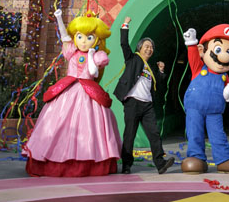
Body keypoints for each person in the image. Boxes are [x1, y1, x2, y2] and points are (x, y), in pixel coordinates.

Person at [24, 9, 122, 176]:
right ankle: (53, 156)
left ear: (97, 39)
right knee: (58, 122)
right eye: (80, 36)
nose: (83, 41)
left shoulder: (98, 56)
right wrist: (59, 18)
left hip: (89, 92)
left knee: (90, 125)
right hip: (68, 89)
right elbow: (64, 37)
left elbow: (93, 72)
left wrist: (91, 54)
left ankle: (89, 159)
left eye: (89, 37)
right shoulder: (72, 52)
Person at [179, 24, 229, 174]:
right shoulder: (199, 68)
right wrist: (191, 42)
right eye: (218, 49)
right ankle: (196, 157)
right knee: (194, 132)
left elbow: (228, 94)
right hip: (195, 108)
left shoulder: (224, 76)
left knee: (218, 134)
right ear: (202, 51)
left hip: (215, 111)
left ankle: (224, 160)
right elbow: (192, 56)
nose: (225, 56)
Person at [113, 16, 175, 175]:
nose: (149, 49)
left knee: (154, 133)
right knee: (130, 135)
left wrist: (161, 71)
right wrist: (125, 25)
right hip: (132, 103)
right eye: (147, 46)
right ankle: (126, 165)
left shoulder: (151, 68)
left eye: (151, 47)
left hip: (147, 105)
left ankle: (160, 164)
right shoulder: (132, 58)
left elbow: (158, 83)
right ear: (140, 48)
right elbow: (124, 44)